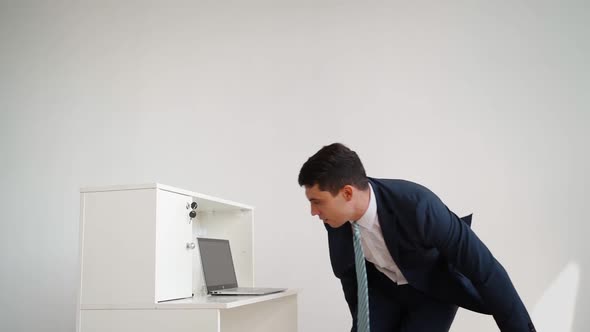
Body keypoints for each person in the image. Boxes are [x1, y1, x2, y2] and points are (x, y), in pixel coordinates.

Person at [298, 143, 536, 332]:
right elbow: (351, 279)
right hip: (383, 290)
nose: (313, 212)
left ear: (347, 192)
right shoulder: (335, 219)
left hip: (433, 289)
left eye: (317, 202)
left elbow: (486, 271)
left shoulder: (419, 208)